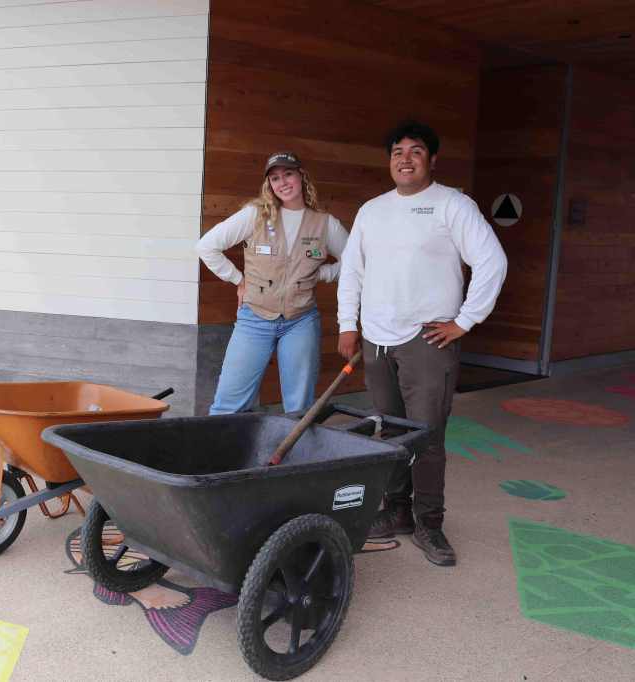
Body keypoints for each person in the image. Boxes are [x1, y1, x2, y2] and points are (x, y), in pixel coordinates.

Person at [337, 121, 508, 567]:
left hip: (425, 340)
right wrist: (347, 325)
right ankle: (396, 511)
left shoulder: (453, 205)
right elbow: (352, 270)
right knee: (391, 432)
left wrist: (466, 320)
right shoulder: (372, 210)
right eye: (397, 151)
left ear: (432, 159)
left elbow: (491, 261)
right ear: (389, 160)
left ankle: (429, 522)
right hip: (376, 338)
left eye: (415, 151)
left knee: (427, 437)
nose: (405, 158)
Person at [197, 152, 349, 415]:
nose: (283, 182)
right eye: (275, 178)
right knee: (228, 403)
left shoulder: (325, 224)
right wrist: (239, 279)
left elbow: (354, 264)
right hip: (254, 317)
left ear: (301, 176)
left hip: (300, 320)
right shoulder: (254, 215)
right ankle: (217, 454)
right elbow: (207, 246)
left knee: (299, 407)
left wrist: (320, 274)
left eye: (288, 174)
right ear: (269, 184)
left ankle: (294, 455)